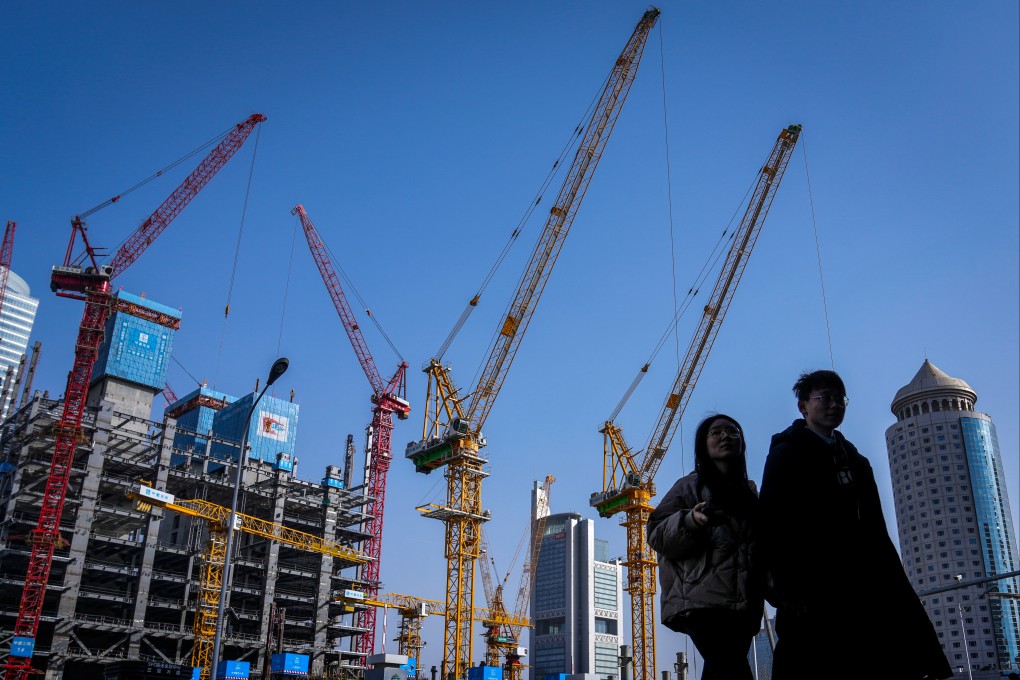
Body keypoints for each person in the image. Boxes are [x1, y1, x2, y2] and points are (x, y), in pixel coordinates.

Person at [758, 370, 951, 680]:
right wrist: (781, 589)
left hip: (862, 586)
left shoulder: (855, 460)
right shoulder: (786, 454)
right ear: (803, 406)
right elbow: (771, 524)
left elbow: (876, 530)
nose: (834, 404)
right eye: (824, 398)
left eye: (840, 398)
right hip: (809, 587)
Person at [647, 414, 762, 680]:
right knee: (734, 672)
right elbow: (656, 534)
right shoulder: (688, 486)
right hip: (701, 600)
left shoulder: (749, 492)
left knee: (719, 673)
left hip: (743, 604)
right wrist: (691, 520)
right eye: (717, 432)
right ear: (703, 444)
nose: (725, 436)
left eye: (733, 431)